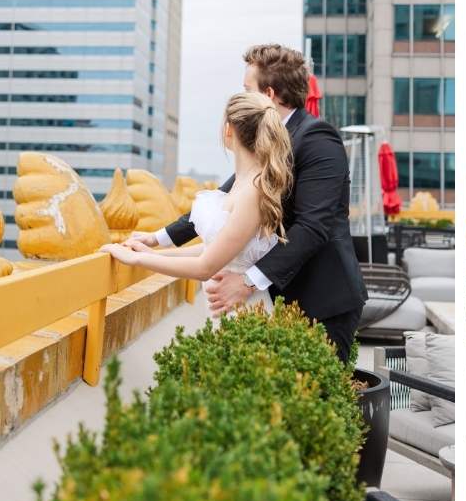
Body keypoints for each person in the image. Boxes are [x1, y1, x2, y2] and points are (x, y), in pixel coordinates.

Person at [122, 44, 367, 364]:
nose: (240, 97)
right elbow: (220, 203)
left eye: (246, 89)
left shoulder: (318, 139)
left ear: (268, 94)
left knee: (312, 400)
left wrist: (248, 281)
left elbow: (313, 225)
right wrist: (156, 238)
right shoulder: (263, 143)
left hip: (320, 298)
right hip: (276, 297)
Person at [101, 91, 291, 314]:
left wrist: (137, 259)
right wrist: (155, 255)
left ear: (229, 129)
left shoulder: (253, 189)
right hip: (231, 308)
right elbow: (213, 248)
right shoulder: (247, 183)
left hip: (243, 312)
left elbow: (204, 267)